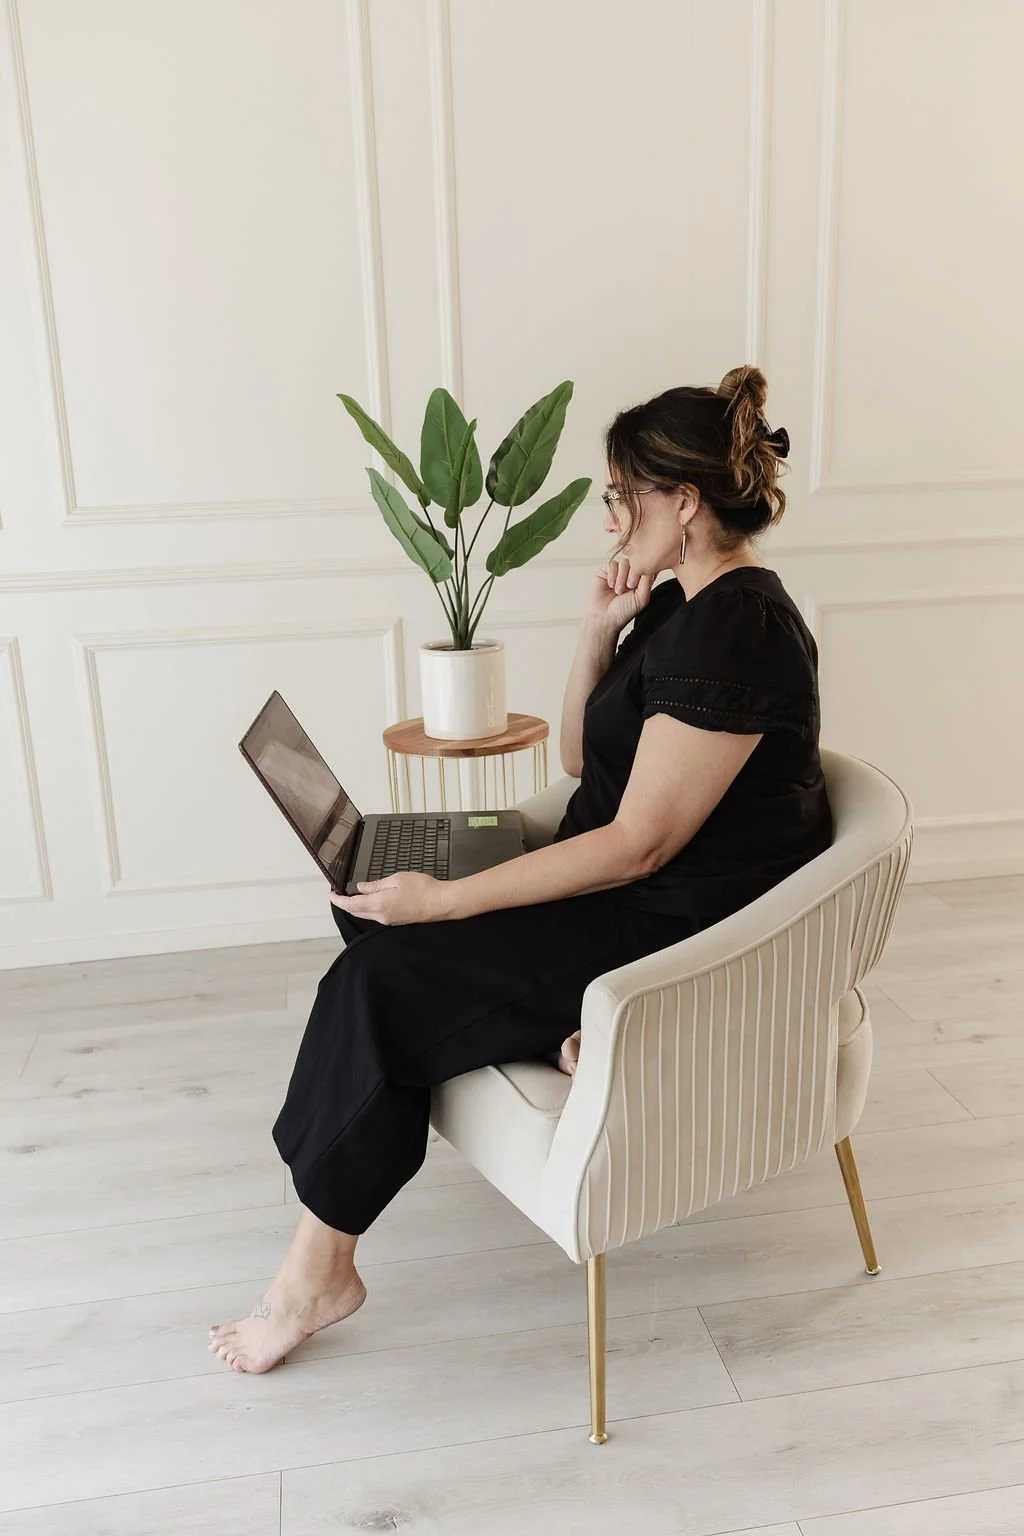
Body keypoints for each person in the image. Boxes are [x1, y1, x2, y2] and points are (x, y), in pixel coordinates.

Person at [209, 364, 833, 1374]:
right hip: (613, 879)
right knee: (372, 910)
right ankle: (551, 1032)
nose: (610, 521)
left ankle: (319, 1274)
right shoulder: (685, 607)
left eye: (620, 498)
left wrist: (447, 898)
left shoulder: (741, 632)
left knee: (380, 975)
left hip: (656, 918)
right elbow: (585, 764)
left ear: (682, 502)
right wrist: (598, 631)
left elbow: (640, 844)